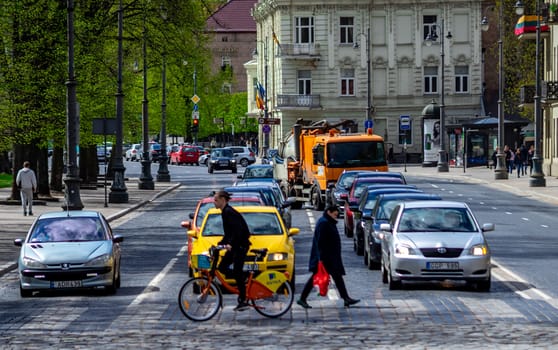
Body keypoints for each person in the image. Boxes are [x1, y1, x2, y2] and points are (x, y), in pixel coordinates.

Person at [297, 205, 360, 309]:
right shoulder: (324, 223)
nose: (336, 216)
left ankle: (346, 298)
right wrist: (321, 258)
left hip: (329, 257)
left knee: (337, 277)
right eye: (335, 214)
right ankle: (302, 298)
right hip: (325, 258)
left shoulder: (327, 221)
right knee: (317, 277)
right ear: (329, 212)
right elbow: (321, 242)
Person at [213, 190, 251, 311]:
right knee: (222, 267)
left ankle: (243, 299)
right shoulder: (225, 212)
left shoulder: (229, 212)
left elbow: (238, 231)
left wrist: (230, 244)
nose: (214, 202)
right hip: (235, 245)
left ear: (223, 200)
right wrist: (220, 244)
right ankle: (243, 279)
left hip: (240, 246)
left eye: (216, 200)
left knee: (237, 271)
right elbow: (229, 233)